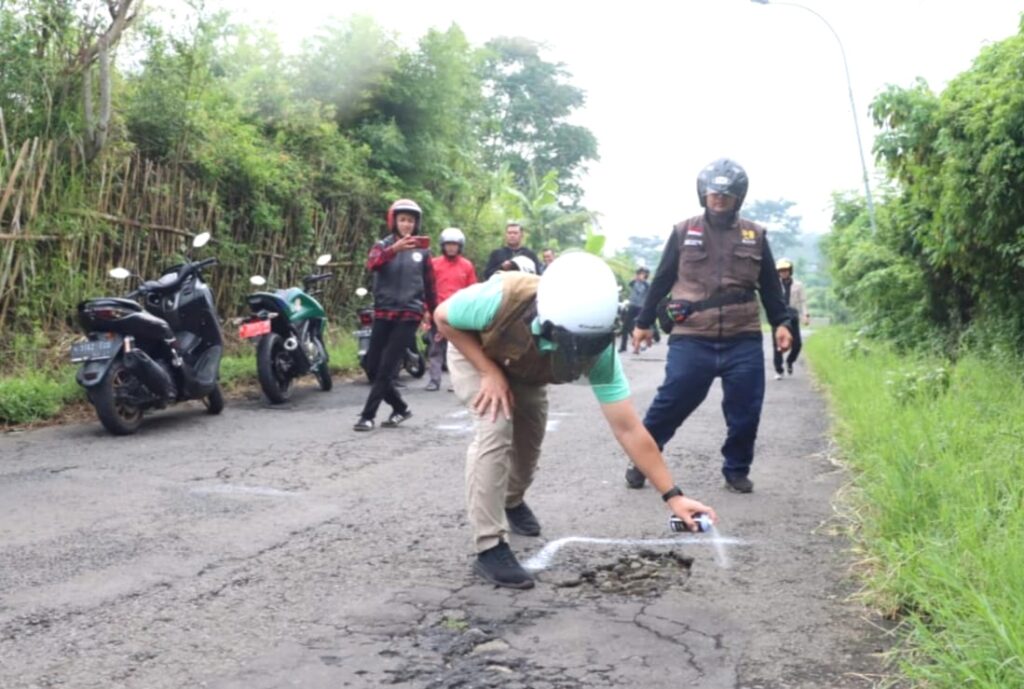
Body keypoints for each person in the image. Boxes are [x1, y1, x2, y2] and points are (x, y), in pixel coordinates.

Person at [434, 251, 717, 589]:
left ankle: (511, 499)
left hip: (527, 368)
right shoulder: (500, 298)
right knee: (496, 429)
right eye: (573, 343)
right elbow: (442, 317)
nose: (581, 353)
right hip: (478, 352)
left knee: (529, 445)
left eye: (589, 344)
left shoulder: (599, 350)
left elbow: (628, 428)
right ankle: (490, 545)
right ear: (547, 320)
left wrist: (674, 496)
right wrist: (488, 371)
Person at [626, 159, 793, 494]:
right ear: (703, 193)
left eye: (726, 194)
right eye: (713, 193)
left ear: (738, 197)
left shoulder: (755, 235)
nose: (719, 198)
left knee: (746, 410)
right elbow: (662, 279)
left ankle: (736, 470)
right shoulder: (683, 231)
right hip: (692, 336)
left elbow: (770, 287)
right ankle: (643, 461)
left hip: (743, 337)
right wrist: (643, 323)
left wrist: (781, 323)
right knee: (671, 403)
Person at [354, 199, 436, 431]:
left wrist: (434, 313)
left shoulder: (423, 252)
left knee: (387, 367)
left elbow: (430, 285)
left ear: (416, 223)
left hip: (410, 314)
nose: (407, 225)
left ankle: (367, 416)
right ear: (394, 221)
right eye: (402, 220)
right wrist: (393, 250)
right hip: (384, 311)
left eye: (411, 221)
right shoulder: (381, 246)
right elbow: (372, 264)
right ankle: (400, 408)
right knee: (372, 365)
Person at [426, 228, 477, 391]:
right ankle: (434, 380)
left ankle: (456, 383)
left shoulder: (467, 266)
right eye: (448, 244)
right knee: (435, 348)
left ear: (460, 246)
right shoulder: (434, 264)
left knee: (458, 350)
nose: (451, 248)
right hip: (438, 311)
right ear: (443, 245)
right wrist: (426, 311)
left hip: (458, 313)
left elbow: (473, 290)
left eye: (454, 245)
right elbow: (427, 288)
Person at [773, 258, 809, 380]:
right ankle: (779, 370)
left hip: (792, 315)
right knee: (777, 345)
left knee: (797, 344)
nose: (783, 272)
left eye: (785, 270)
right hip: (778, 315)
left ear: (790, 271)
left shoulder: (798, 285)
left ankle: (790, 361)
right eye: (781, 270)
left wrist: (805, 315)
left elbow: (803, 301)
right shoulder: (775, 285)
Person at [619, 267, 651, 353]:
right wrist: (636, 278)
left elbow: (649, 288)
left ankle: (639, 346)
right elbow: (630, 283)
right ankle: (623, 346)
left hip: (641, 307)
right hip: (632, 306)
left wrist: (643, 280)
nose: (641, 275)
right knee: (625, 326)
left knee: (638, 327)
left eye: (643, 273)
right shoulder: (635, 282)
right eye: (639, 273)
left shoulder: (647, 284)